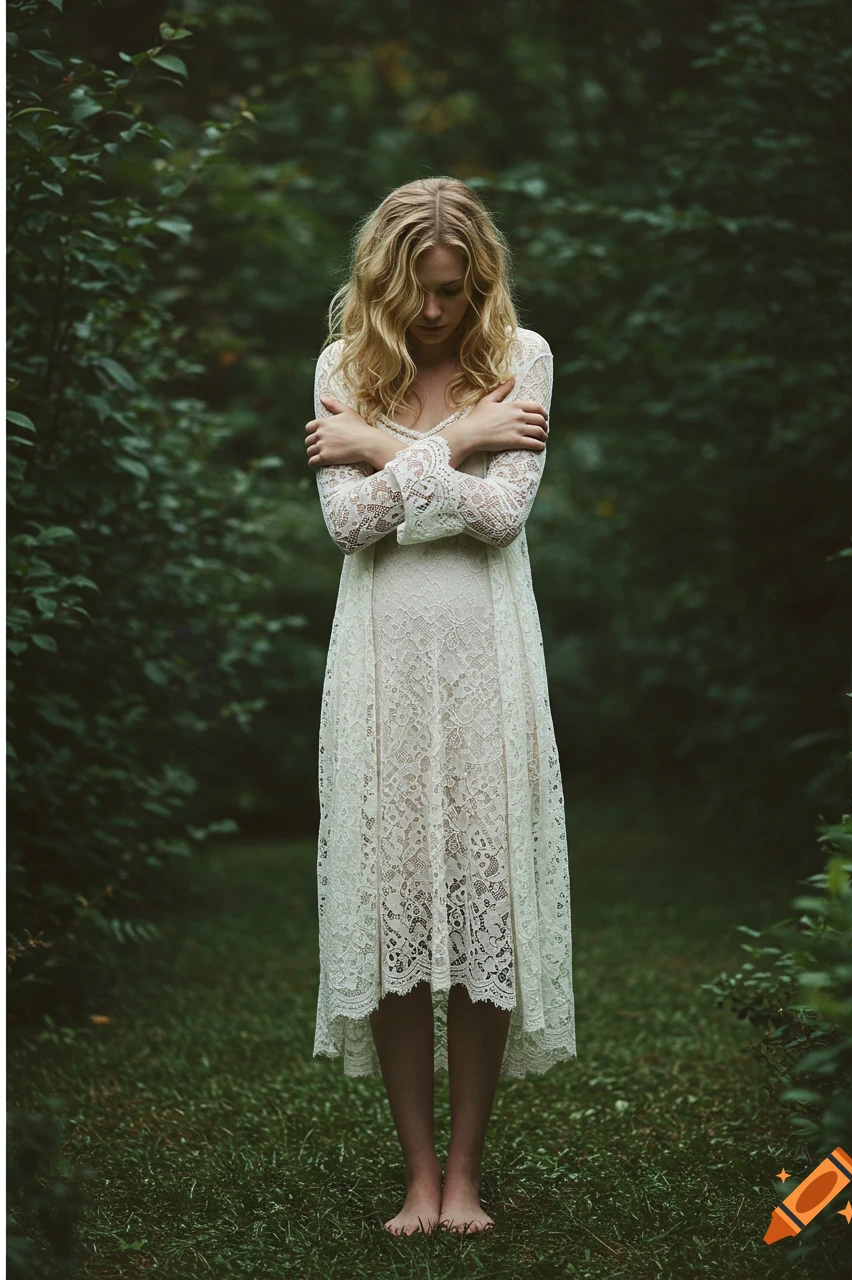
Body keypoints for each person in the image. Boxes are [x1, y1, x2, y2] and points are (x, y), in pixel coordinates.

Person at [305, 176, 576, 1237]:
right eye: (418, 292)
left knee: (480, 902)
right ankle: (415, 1174)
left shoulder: (523, 358)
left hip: (485, 656)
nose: (435, 312)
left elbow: (501, 519)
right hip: (378, 657)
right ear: (383, 280)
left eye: (454, 291)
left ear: (480, 281)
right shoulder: (341, 366)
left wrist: (388, 449)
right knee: (393, 908)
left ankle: (465, 1172)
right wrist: (457, 442)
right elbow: (347, 525)